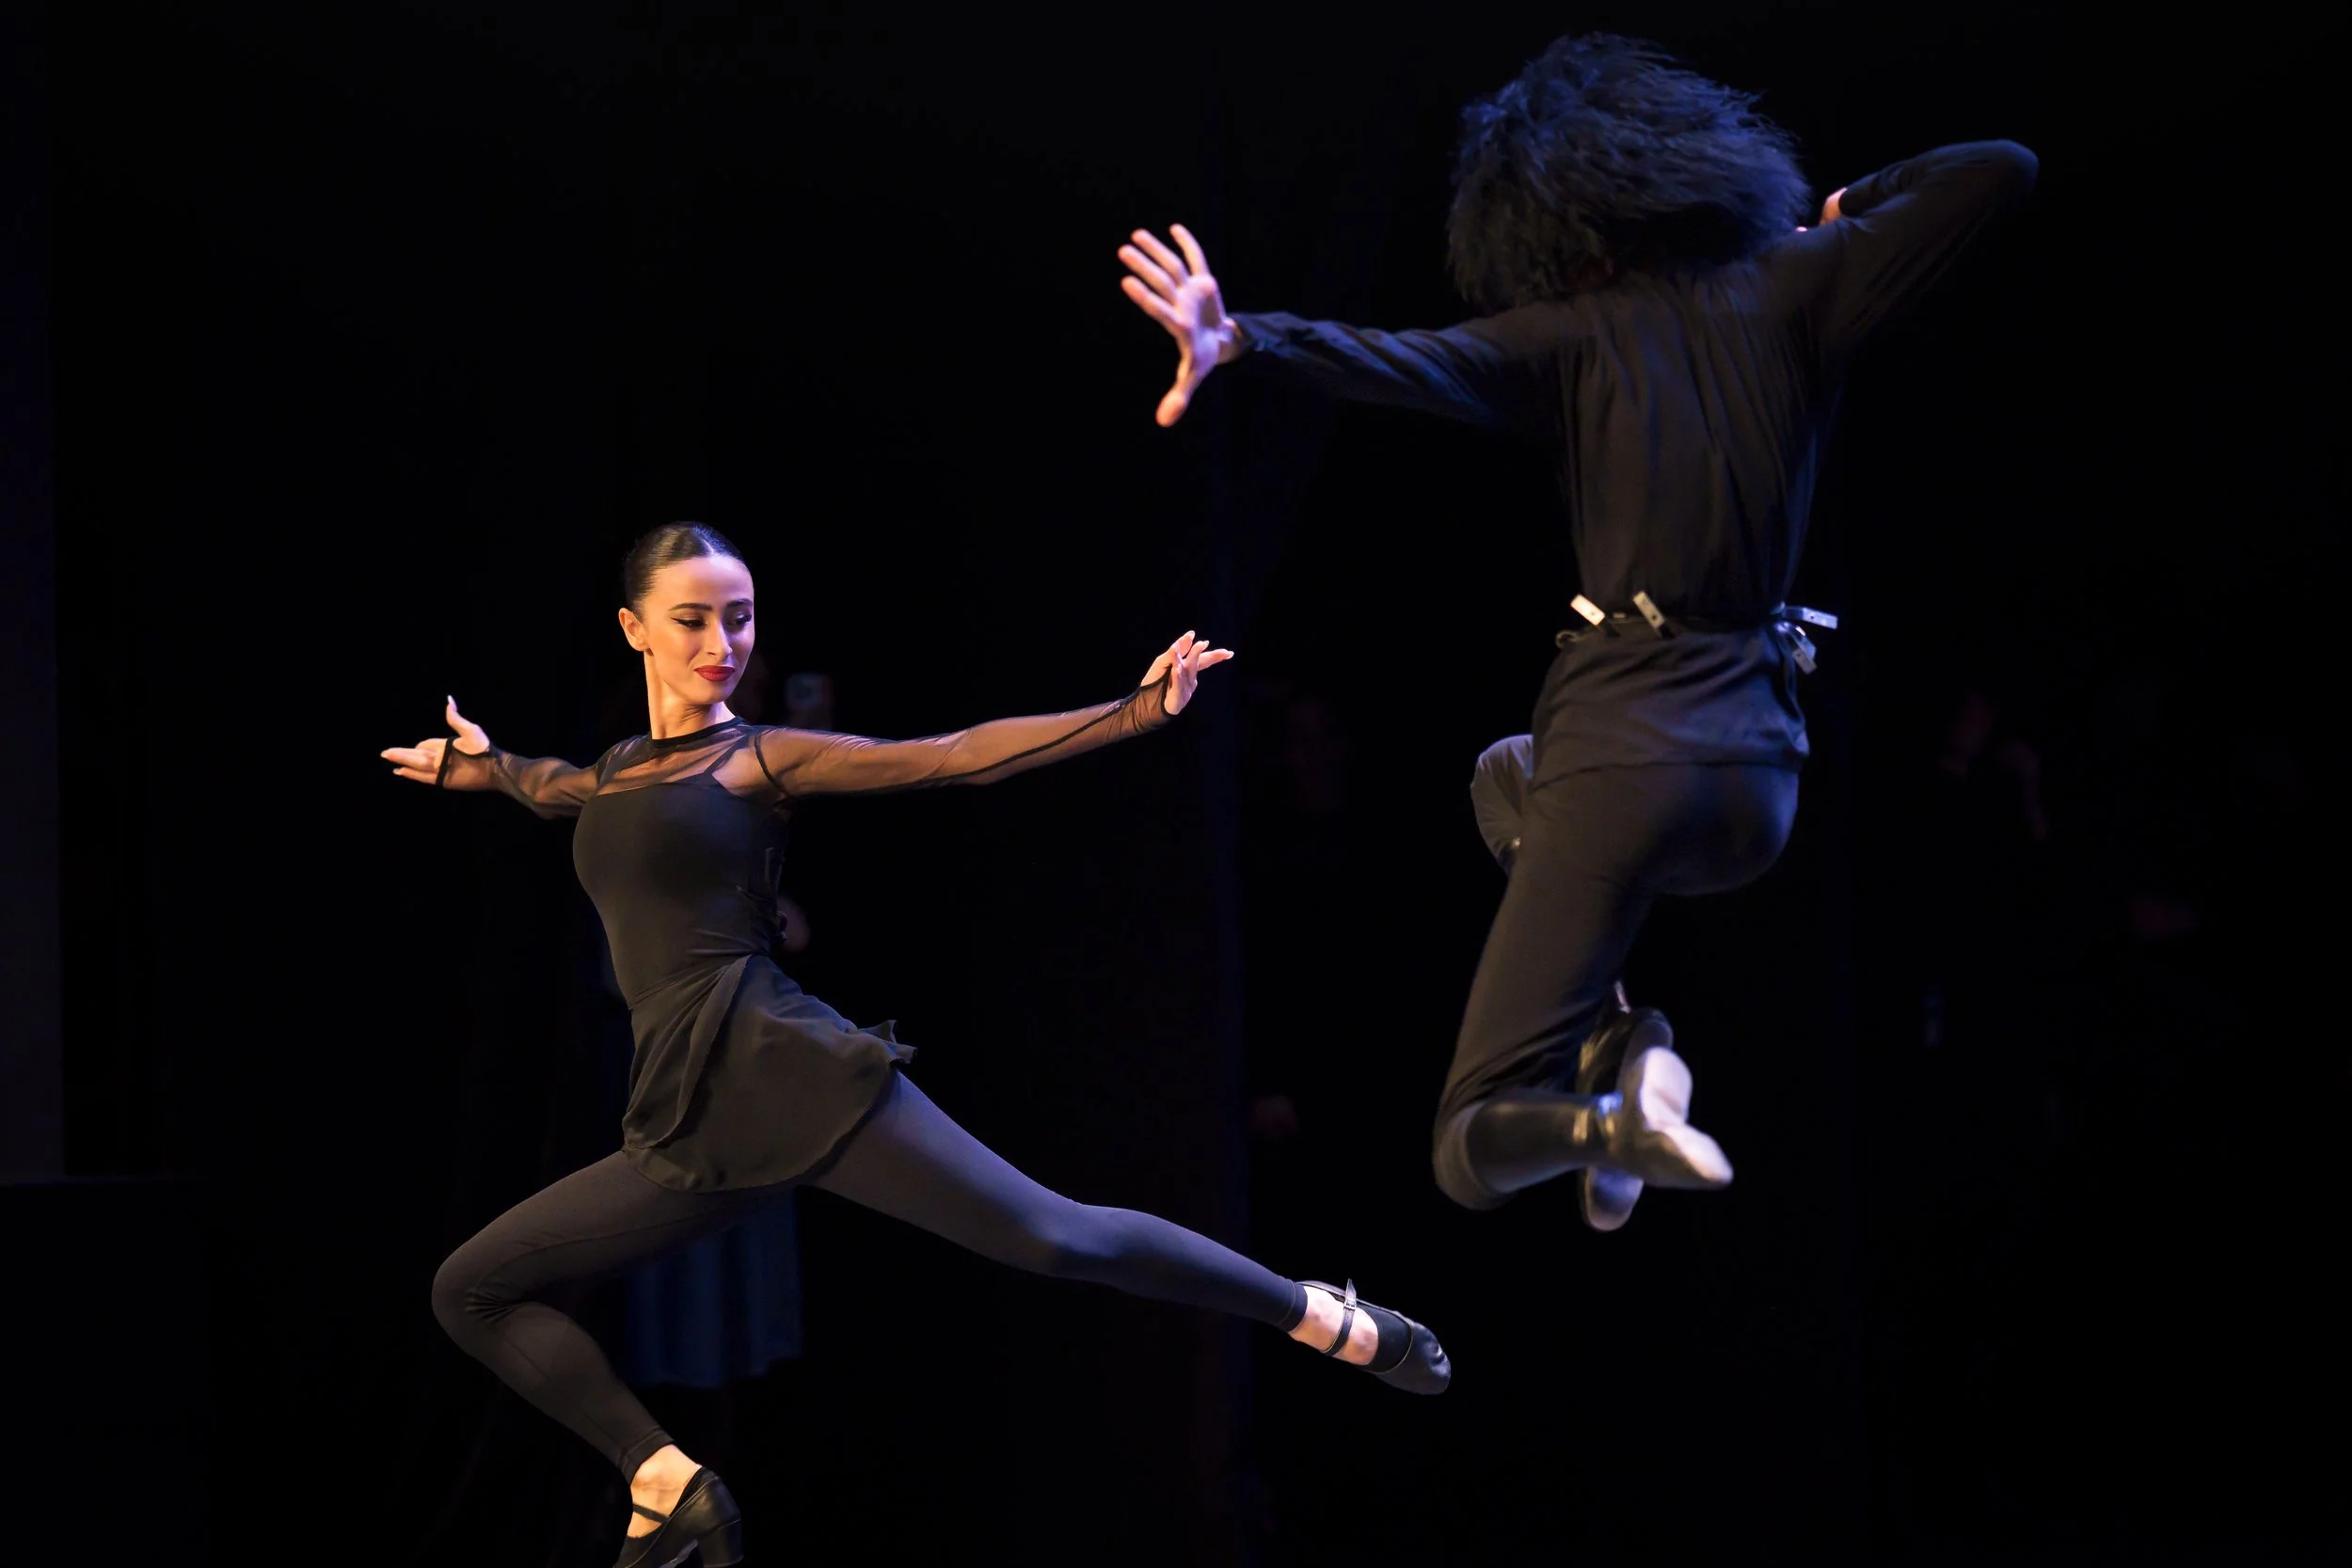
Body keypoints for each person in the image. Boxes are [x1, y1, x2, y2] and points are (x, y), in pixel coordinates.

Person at [388, 522, 1448, 1568]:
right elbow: (564, 787)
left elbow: (948, 758)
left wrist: (1132, 712)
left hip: (780, 1068)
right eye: (692, 620)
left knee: (1056, 1236)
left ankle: (1320, 1314)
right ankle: (665, 1479)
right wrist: (490, 769)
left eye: (739, 618)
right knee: (471, 1288)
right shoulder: (621, 768)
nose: (721, 643)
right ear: (635, 629)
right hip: (686, 1109)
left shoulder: (755, 759)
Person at [1118, 32, 2036, 1223]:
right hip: (1760, 786)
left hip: (1626, 756)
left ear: (1552, 223)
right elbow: (2000, 165)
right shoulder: (1799, 285)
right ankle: (1623, 1045)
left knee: (1467, 1145)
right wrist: (1853, 204)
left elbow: (1398, 359)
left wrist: (1241, 336)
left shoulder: (1567, 333)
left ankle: (1609, 1119)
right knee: (1506, 776)